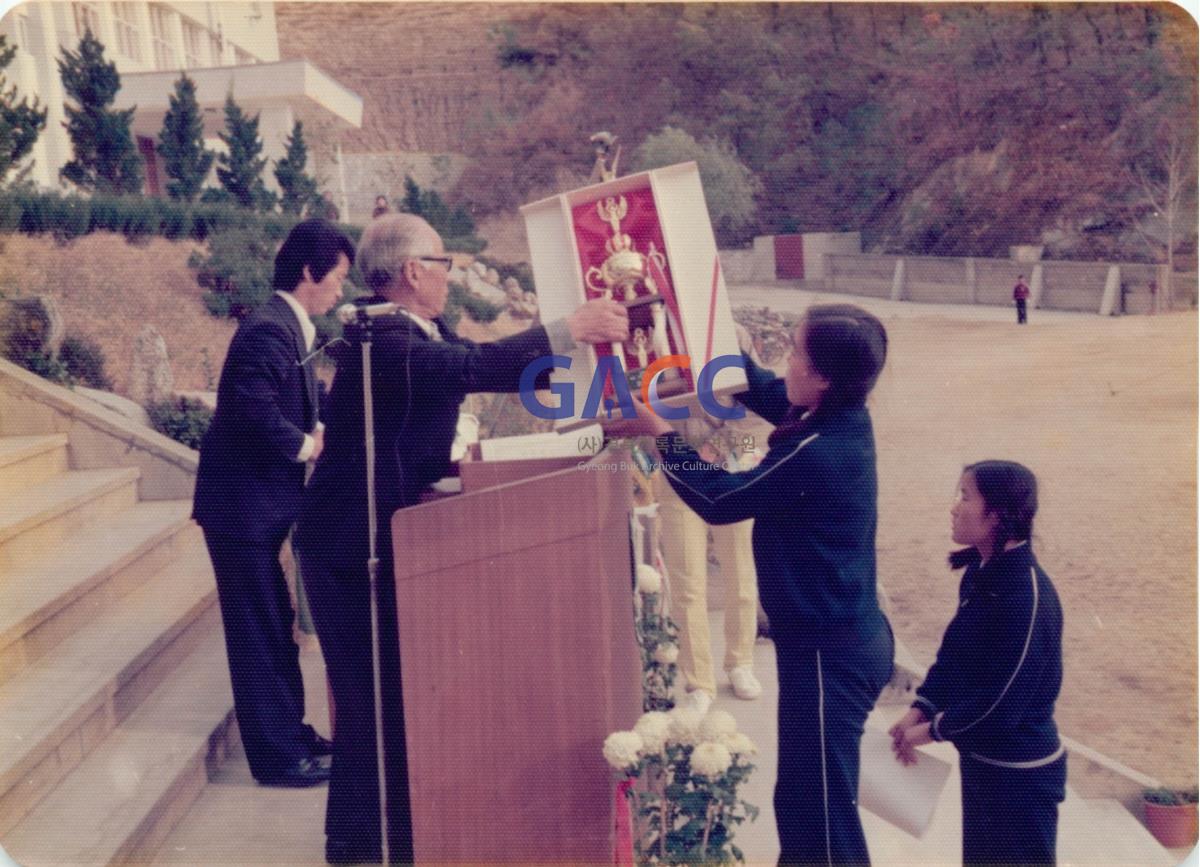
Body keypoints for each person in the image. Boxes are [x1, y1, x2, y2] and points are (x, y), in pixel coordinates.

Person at [294, 213, 628, 865]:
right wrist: (571, 329)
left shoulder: (414, 327)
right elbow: (467, 365)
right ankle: (357, 844)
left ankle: (381, 832)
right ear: (415, 271)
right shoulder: (380, 338)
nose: (451, 275)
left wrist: (597, 385)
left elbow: (489, 369)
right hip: (346, 545)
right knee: (368, 698)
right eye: (444, 263)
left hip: (380, 536)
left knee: (383, 694)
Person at [605, 304, 894, 866]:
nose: (784, 362)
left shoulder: (819, 450)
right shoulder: (833, 415)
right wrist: (701, 346)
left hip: (828, 655)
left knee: (821, 819)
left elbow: (721, 499)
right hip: (835, 643)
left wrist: (659, 432)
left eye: (795, 354)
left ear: (822, 378)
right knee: (808, 802)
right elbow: (760, 388)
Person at [193, 218, 355, 787]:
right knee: (258, 634)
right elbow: (252, 406)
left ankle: (293, 733)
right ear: (310, 271)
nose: (341, 289)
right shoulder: (269, 328)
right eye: (337, 276)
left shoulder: (289, 325)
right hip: (240, 511)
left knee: (275, 624)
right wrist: (308, 443)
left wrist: (321, 428)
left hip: (258, 508)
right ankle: (278, 758)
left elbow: (280, 402)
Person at [889, 461, 1064, 866]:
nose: (954, 507)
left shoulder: (1027, 597)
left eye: (965, 497)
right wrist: (921, 707)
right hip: (984, 764)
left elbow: (1001, 706)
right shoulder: (980, 573)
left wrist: (931, 731)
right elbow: (955, 657)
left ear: (997, 514)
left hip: (1021, 776)